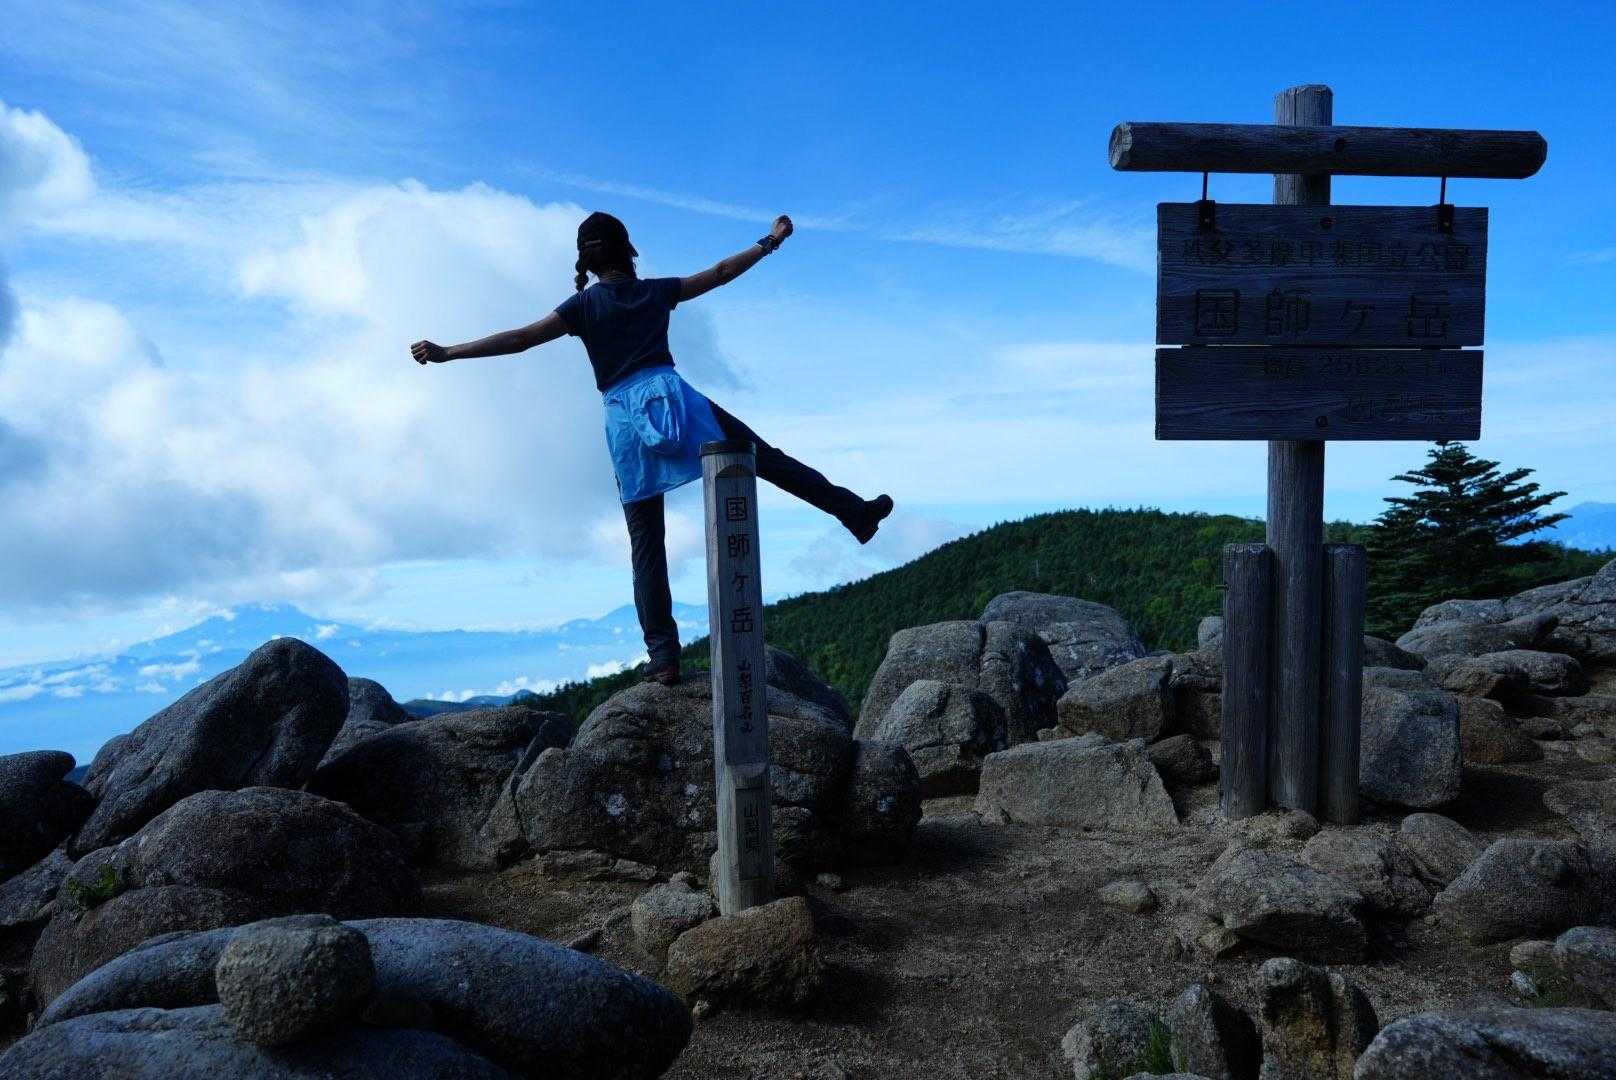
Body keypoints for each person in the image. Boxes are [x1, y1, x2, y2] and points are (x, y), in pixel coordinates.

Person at [410, 211, 893, 685]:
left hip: (625, 421)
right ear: (629, 250)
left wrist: (449, 352)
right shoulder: (655, 291)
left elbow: (521, 339)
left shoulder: (582, 307)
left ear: (587, 260)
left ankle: (663, 655)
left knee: (646, 540)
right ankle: (855, 513)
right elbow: (720, 273)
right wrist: (770, 242)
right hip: (677, 402)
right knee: (767, 459)